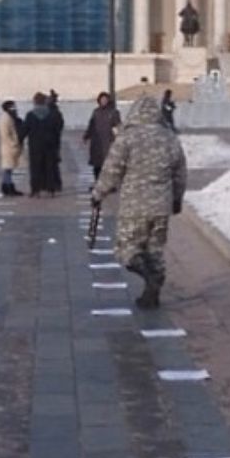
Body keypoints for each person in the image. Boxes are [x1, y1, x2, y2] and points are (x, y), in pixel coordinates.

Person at [90, 95, 187, 309]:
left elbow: (112, 170)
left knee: (127, 249)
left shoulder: (128, 137)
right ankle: (151, 295)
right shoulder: (169, 138)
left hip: (135, 205)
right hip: (161, 205)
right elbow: (180, 172)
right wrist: (177, 199)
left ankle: (148, 279)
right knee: (155, 250)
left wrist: (98, 194)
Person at [23, 92, 64, 197]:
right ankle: (51, 189)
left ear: (35, 102)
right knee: (49, 167)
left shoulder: (30, 115)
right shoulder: (52, 114)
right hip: (50, 145)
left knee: (35, 168)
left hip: (35, 146)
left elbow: (25, 130)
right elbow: (58, 128)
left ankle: (35, 190)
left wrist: (19, 139)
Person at [83, 91, 121, 183]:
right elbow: (91, 125)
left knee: (109, 164)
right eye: (102, 100)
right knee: (97, 164)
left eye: (105, 99)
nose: (103, 101)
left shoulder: (113, 112)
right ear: (99, 101)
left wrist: (118, 138)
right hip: (97, 141)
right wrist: (86, 136)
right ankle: (97, 182)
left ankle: (109, 183)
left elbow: (118, 126)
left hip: (108, 141)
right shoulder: (96, 112)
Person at [0, 100, 26, 197]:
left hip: (10, 147)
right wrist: (14, 143)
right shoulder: (6, 119)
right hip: (9, 147)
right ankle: (8, 188)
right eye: (13, 107)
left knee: (8, 168)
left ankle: (7, 186)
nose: (15, 108)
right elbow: (5, 134)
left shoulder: (10, 117)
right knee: (7, 168)